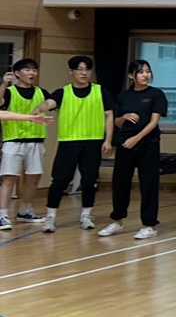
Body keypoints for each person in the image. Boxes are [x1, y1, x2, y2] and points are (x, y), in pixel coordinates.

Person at [42, 56, 115, 233]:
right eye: (80, 69)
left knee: (89, 180)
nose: (84, 73)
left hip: (93, 141)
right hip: (69, 142)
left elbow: (109, 115)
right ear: (71, 72)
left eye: (87, 69)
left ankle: (86, 215)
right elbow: (50, 102)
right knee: (59, 180)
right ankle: (50, 217)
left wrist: (108, 140)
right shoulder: (63, 92)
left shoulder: (100, 91)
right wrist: (40, 107)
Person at [99, 59, 168, 240]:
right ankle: (117, 220)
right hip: (125, 144)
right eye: (141, 72)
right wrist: (124, 117)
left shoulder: (156, 94)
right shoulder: (123, 96)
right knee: (120, 183)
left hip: (148, 145)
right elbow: (117, 121)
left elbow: (154, 122)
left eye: (148, 71)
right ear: (131, 75)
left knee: (148, 184)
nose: (146, 75)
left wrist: (136, 138)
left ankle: (149, 225)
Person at [1, 59, 53, 229]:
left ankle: (25, 211)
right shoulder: (9, 91)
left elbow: (51, 102)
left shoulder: (41, 92)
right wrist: (3, 84)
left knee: (34, 178)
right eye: (27, 70)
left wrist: (44, 107)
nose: (32, 73)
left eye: (34, 70)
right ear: (17, 73)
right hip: (13, 140)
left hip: (36, 140)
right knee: (9, 178)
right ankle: (2, 215)